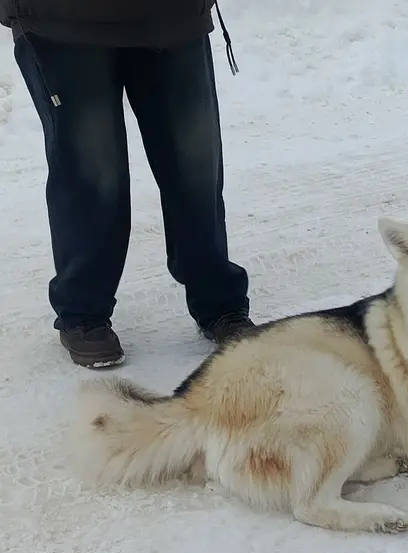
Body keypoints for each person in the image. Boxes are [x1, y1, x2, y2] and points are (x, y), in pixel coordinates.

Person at [0, 1, 255, 368]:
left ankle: (219, 302)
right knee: (93, 173)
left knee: (195, 166)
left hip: (173, 16)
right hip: (60, 21)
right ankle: (83, 311)